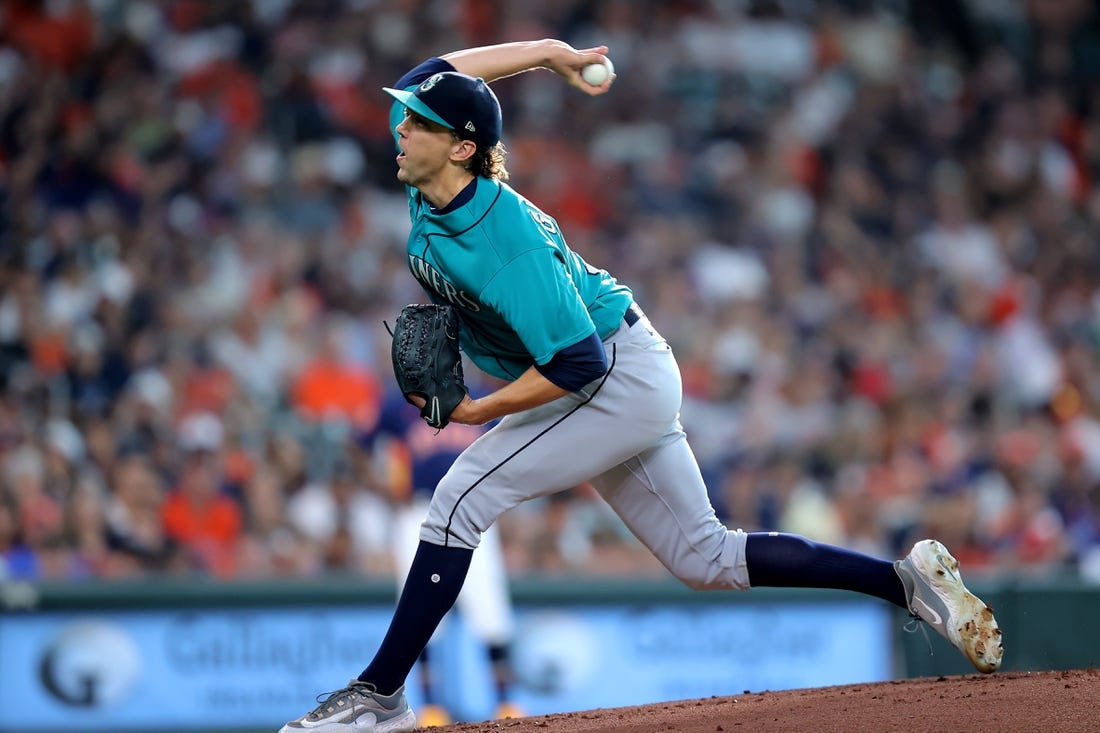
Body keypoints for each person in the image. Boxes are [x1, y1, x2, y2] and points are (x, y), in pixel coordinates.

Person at [279, 39, 1003, 733]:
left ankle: (379, 693)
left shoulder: (504, 243)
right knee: (706, 559)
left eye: (419, 122)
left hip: (610, 376)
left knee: (458, 500)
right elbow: (444, 69)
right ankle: (908, 583)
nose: (399, 127)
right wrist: (548, 52)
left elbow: (579, 364)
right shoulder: (431, 170)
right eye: (405, 115)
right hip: (631, 364)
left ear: (462, 147)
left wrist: (478, 409)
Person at [368, 385, 521, 726]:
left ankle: (506, 704)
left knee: (490, 610)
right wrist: (385, 488)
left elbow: (509, 453)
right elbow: (362, 444)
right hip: (418, 512)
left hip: (475, 511)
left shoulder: (481, 395)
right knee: (418, 615)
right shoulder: (400, 402)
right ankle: (432, 707)